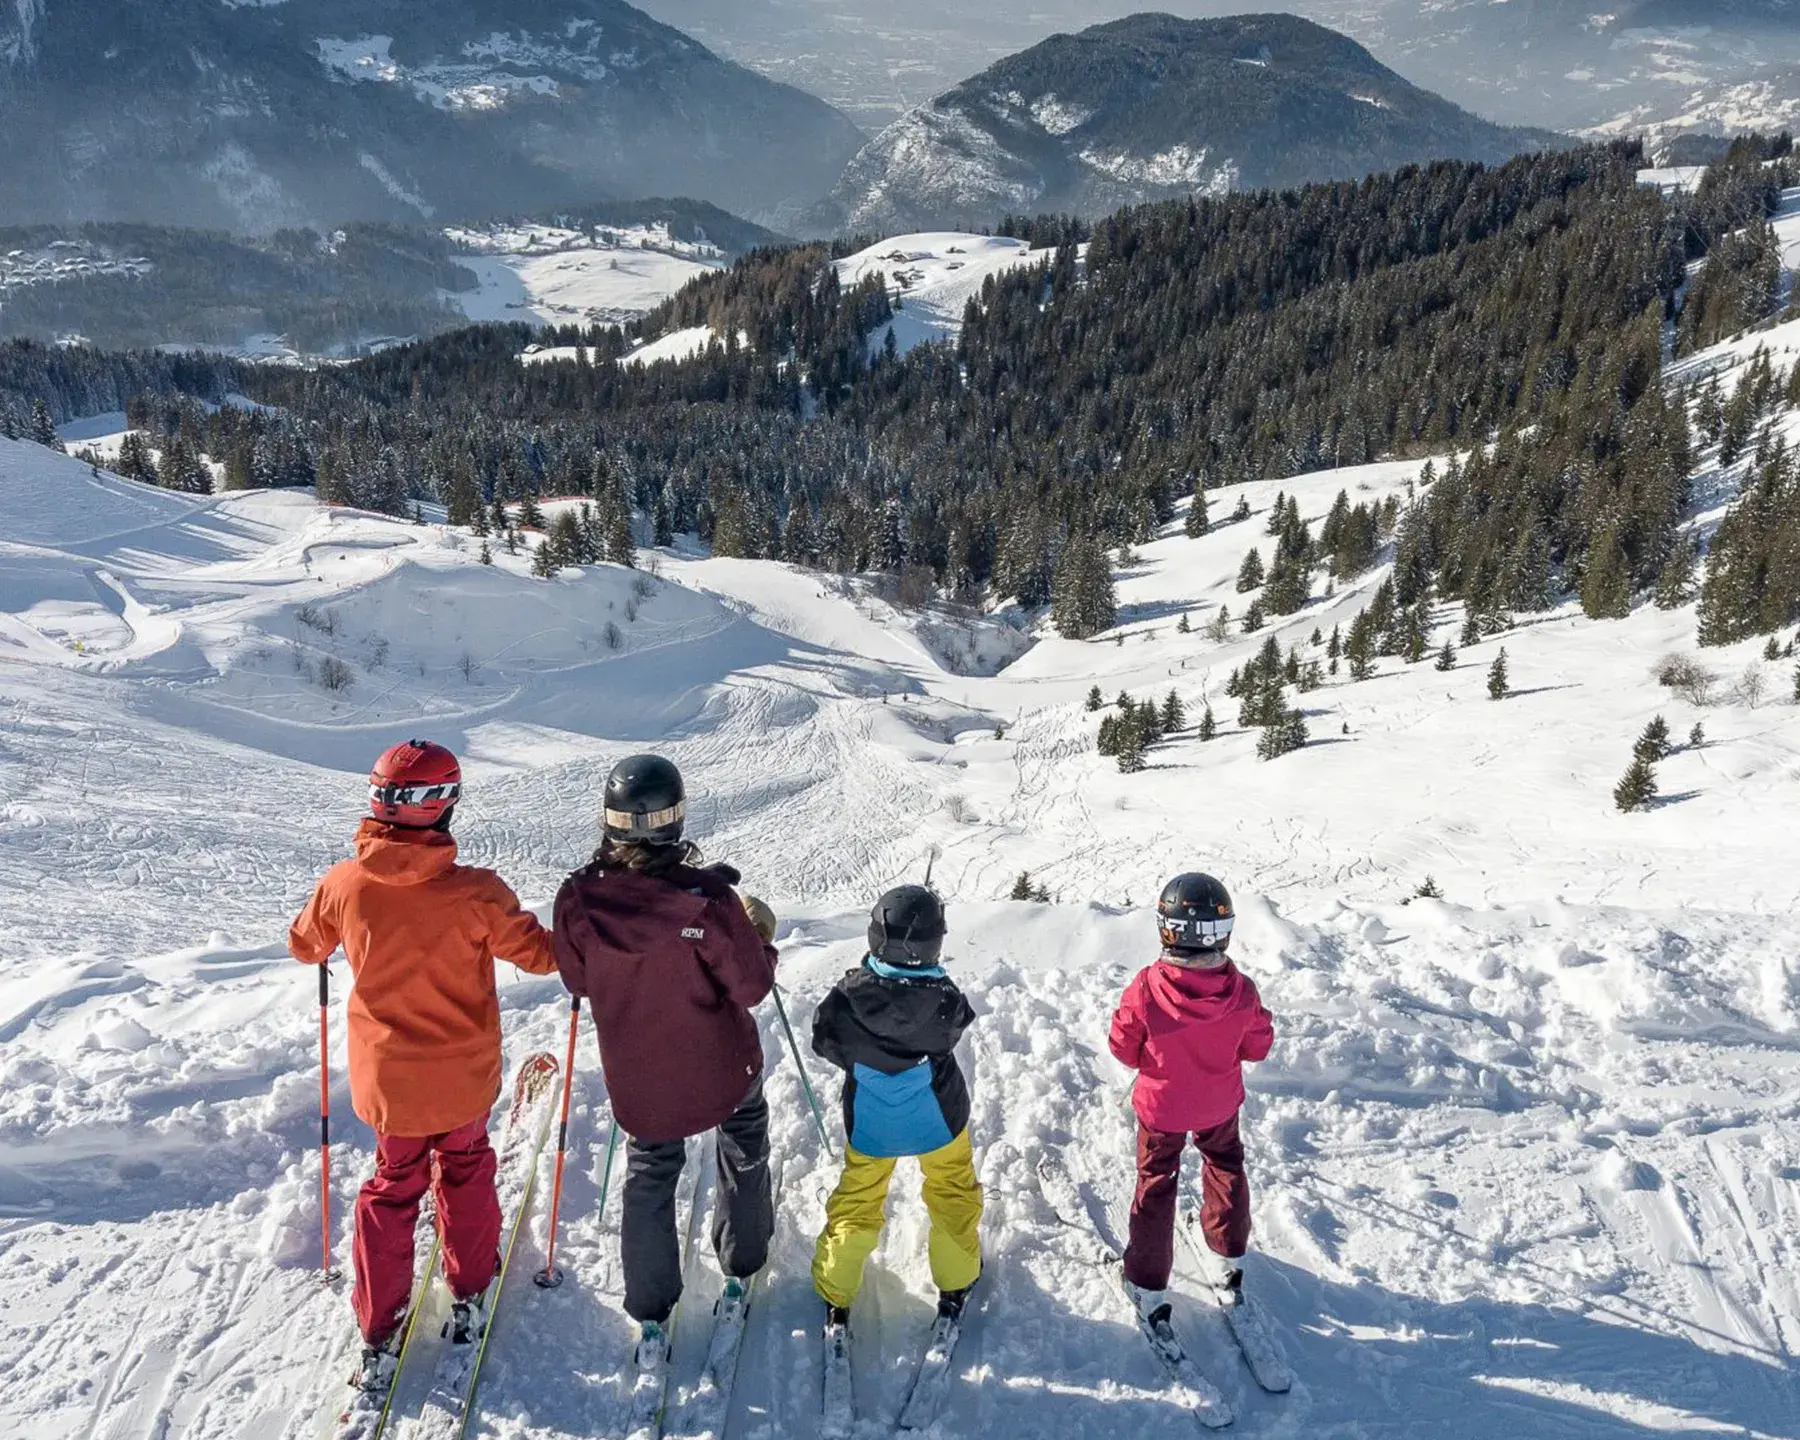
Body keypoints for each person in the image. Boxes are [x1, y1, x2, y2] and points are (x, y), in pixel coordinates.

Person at [289, 739, 557, 1393]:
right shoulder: (477, 893)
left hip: (389, 1081)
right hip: (462, 1075)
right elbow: (543, 957)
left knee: (393, 1185)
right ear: (441, 806)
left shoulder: (344, 884)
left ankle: (379, 1325)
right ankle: (470, 1289)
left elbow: (304, 945)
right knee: (464, 1169)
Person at [552, 753, 779, 1370]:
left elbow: (577, 979)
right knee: (743, 1144)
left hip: (640, 1078)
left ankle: (651, 1311)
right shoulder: (709, 901)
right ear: (675, 818)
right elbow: (752, 987)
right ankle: (742, 1263)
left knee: (651, 1172)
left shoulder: (577, 898)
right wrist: (759, 940)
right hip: (723, 1067)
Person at [810, 885, 983, 1332]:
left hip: (872, 1122)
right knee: (952, 1191)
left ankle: (836, 1287)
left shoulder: (847, 998)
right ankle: (957, 1279)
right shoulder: (945, 999)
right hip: (938, 1118)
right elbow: (954, 1028)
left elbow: (824, 1041)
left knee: (859, 1199)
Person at [1109, 872, 1274, 1327]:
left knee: (1156, 1181)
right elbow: (1258, 1046)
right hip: (1218, 1105)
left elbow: (1123, 1047)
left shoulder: (1147, 987)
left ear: (1167, 928)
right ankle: (1228, 1253)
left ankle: (1146, 1281)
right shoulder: (1241, 991)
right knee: (1224, 1165)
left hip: (1160, 1110)